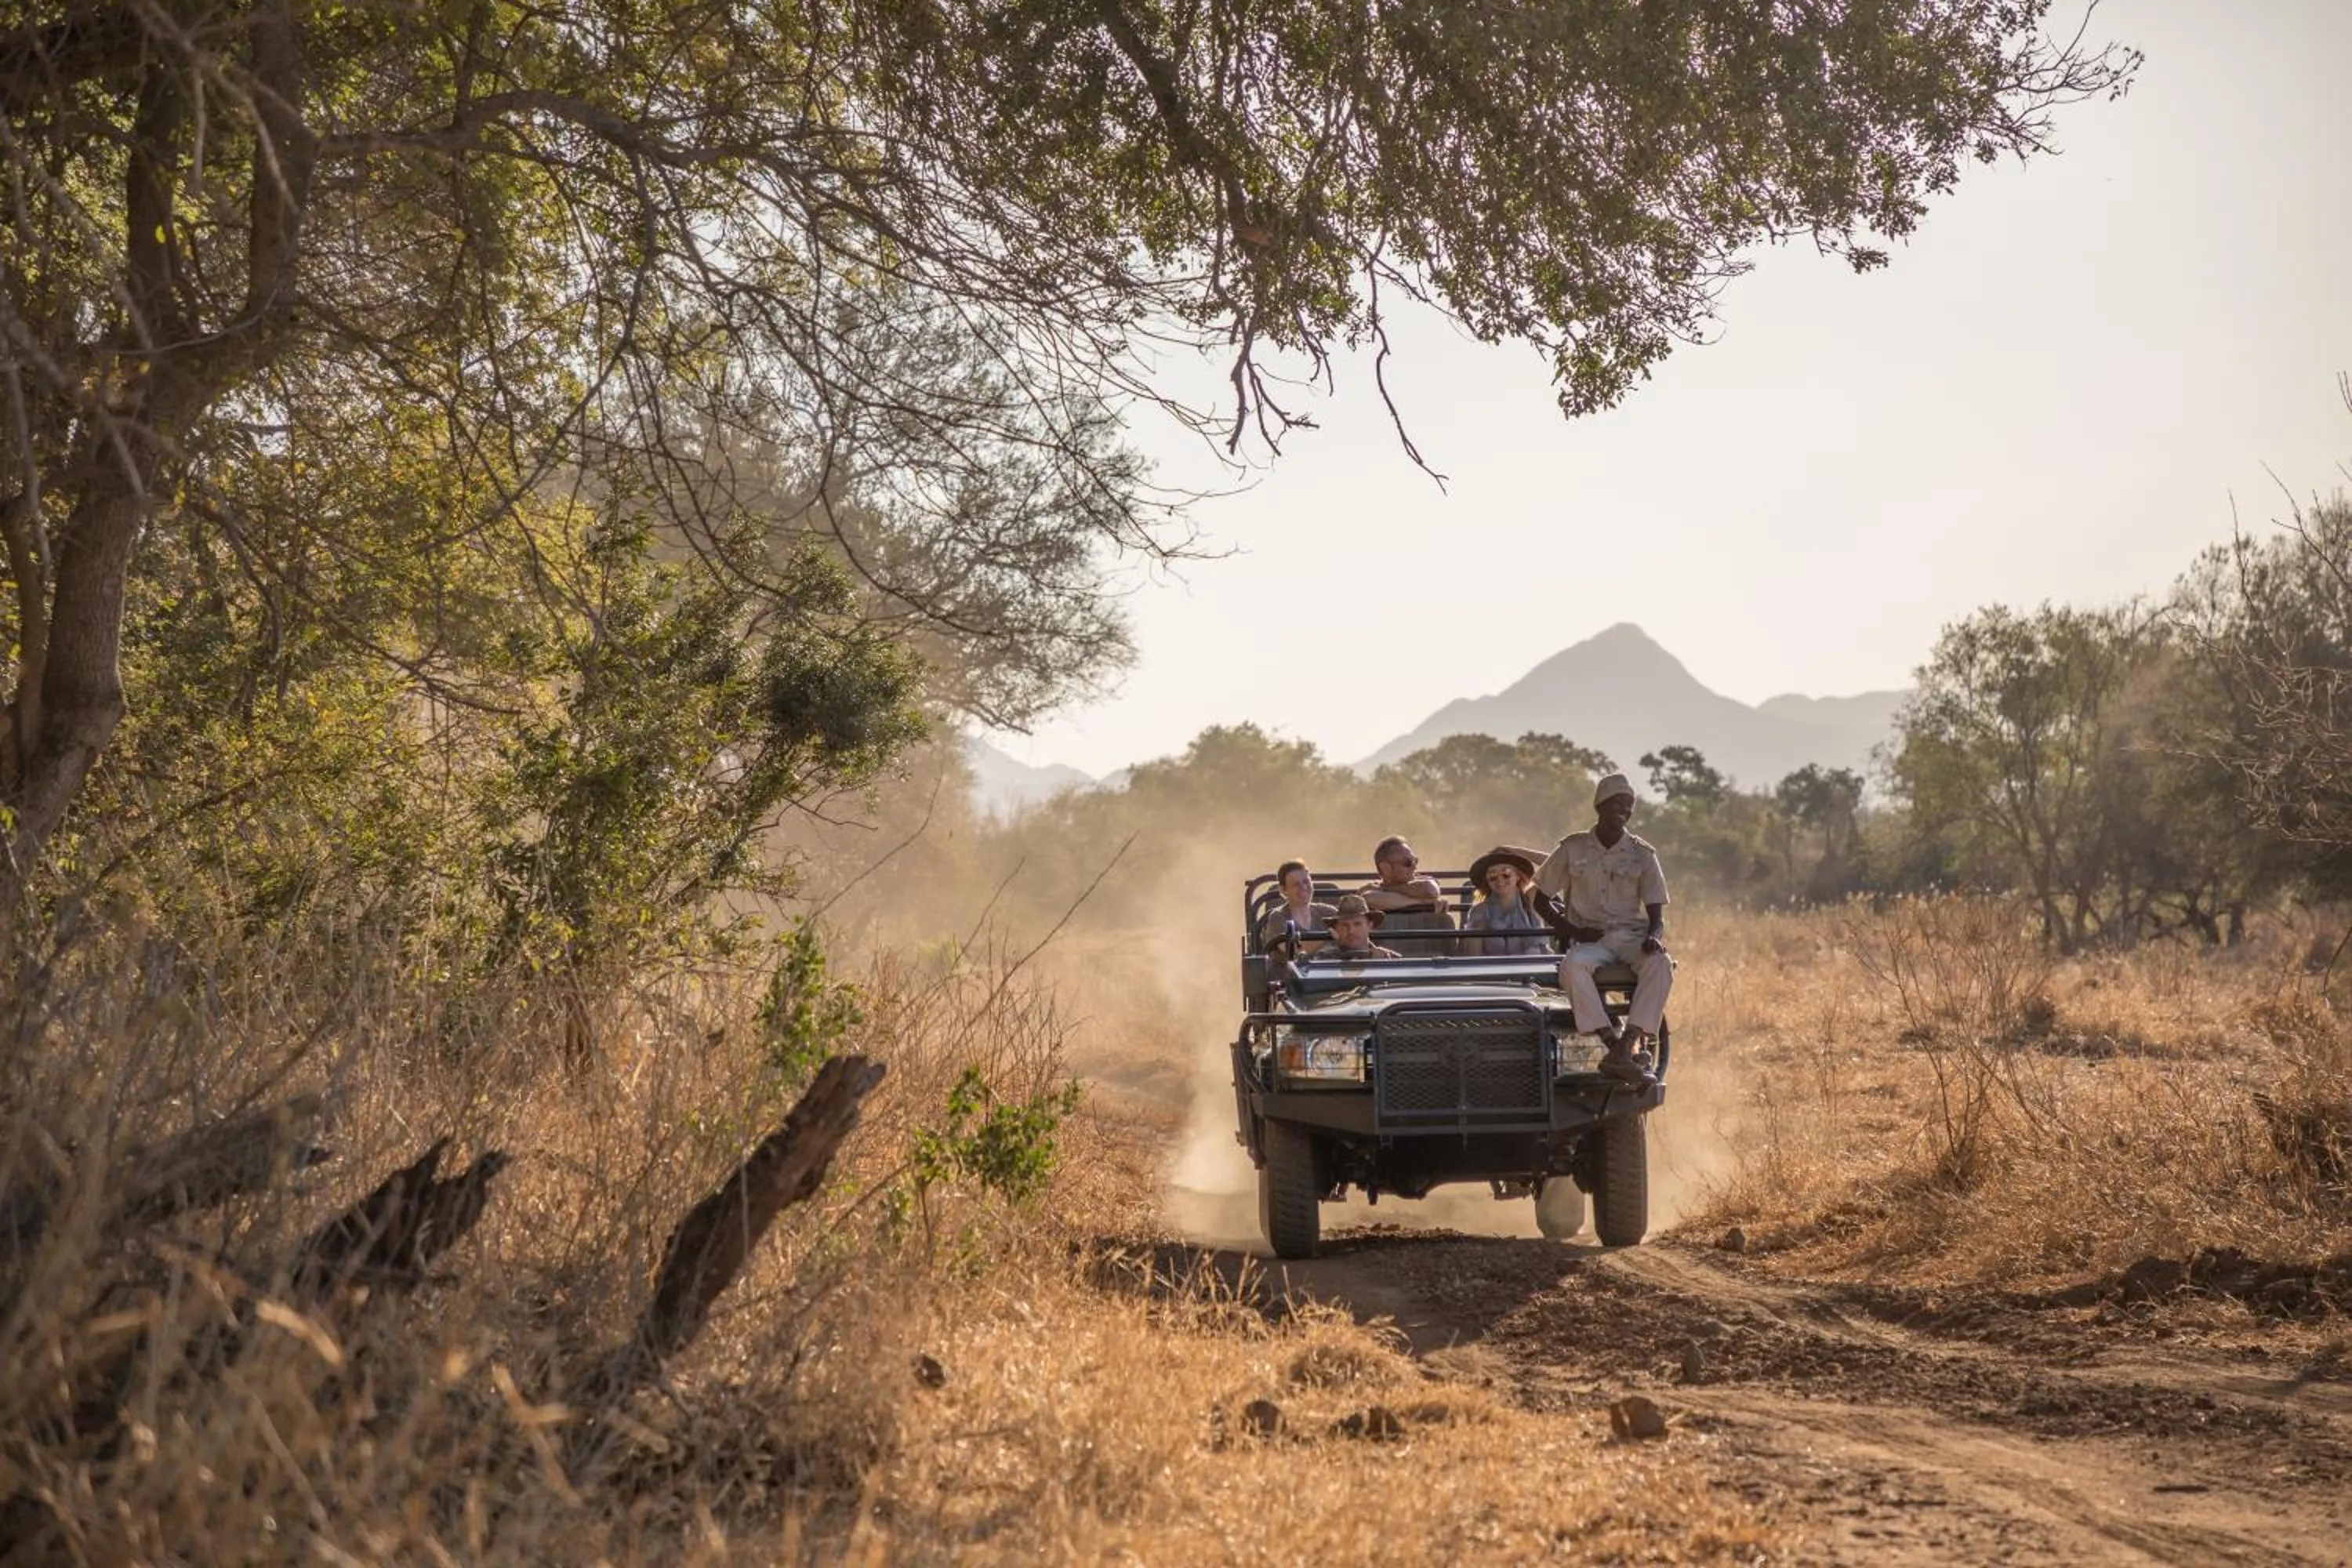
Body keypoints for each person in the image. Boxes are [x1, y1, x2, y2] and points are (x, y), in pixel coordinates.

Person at [1532, 773, 1673, 1085]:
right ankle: (1613, 1044)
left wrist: (1653, 938)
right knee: (1571, 967)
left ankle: (1627, 1043)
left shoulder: (1643, 854)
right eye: (1617, 803)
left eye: (1629, 804)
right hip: (1591, 939)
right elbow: (1540, 900)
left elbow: (1656, 916)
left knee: (1661, 964)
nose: (1624, 809)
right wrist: (1570, 929)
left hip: (1632, 938)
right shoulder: (1573, 848)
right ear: (1600, 806)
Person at [1357, 834, 1455, 955]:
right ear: (1386, 868)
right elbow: (1369, 899)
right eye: (1407, 862)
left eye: (1415, 861)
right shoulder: (1371, 891)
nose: (1414, 867)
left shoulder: (1423, 881)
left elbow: (1431, 890)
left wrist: (1387, 889)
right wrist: (1423, 902)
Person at [1462, 846, 1552, 955]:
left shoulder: (1530, 899)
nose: (1500, 880)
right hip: (1497, 970)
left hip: (1535, 968)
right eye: (1493, 876)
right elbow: (1474, 957)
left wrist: (1516, 852)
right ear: (1487, 880)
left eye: (1506, 874)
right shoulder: (1480, 911)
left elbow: (1558, 864)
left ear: (1518, 876)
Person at [1259, 858, 1338, 956]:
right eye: (1296, 885)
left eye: (1306, 882)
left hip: (1330, 969)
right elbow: (1293, 951)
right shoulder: (1277, 917)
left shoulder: (1328, 913)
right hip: (1288, 970)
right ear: (1283, 890)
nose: (1304, 887)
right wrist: (1328, 936)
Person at [1305, 894, 1399, 960]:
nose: (1351, 931)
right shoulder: (1324, 960)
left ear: (1370, 926)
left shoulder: (1389, 959)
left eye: (1357, 924)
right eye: (1345, 925)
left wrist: (1379, 967)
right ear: (1336, 929)